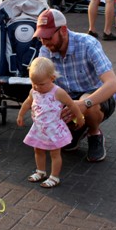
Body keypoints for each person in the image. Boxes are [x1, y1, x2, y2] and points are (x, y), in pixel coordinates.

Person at [35, 9, 116, 162]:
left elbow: (113, 84)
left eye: (48, 37)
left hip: (95, 99)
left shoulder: (88, 44)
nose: (44, 42)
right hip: (67, 98)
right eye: (41, 37)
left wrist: (83, 104)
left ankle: (94, 133)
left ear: (63, 30)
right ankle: (77, 129)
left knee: (88, 104)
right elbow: (40, 85)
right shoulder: (45, 51)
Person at [17, 57, 84, 189]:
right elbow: (27, 103)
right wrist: (20, 114)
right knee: (38, 150)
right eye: (33, 83)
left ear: (52, 78)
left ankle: (54, 176)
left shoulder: (58, 92)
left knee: (55, 153)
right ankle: (40, 171)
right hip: (39, 128)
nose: (37, 87)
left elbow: (71, 104)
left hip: (54, 129)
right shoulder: (34, 91)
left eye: (41, 84)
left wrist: (79, 117)